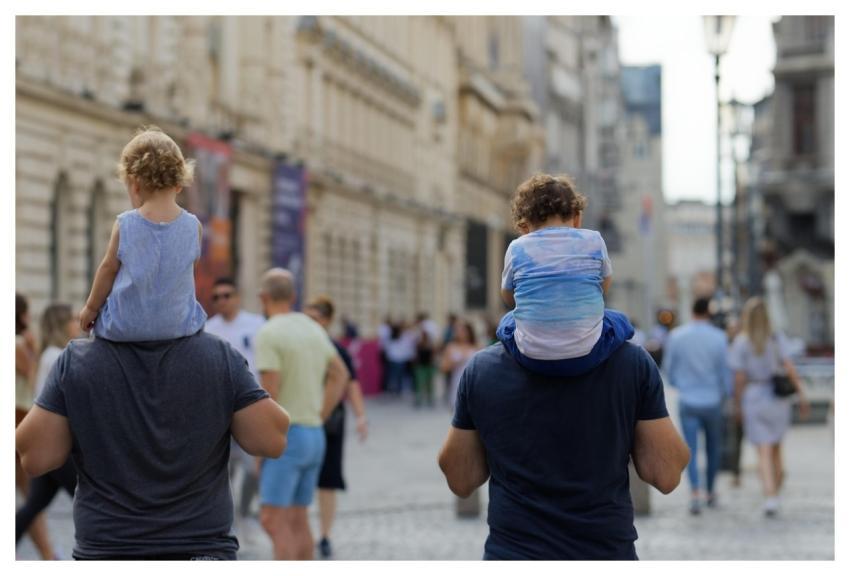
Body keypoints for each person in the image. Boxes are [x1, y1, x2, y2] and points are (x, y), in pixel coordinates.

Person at [15, 328, 289, 559]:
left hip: (109, 548)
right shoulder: (218, 355)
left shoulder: (78, 360)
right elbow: (273, 440)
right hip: (200, 547)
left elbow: (34, 457)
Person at [438, 338, 690, 559]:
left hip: (513, 555)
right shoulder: (631, 364)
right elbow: (665, 474)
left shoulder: (483, 369)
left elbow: (461, 480)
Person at [78, 125, 207, 341]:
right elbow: (188, 273)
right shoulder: (194, 226)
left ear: (135, 184)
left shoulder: (125, 223)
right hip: (177, 328)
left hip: (125, 327)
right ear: (179, 184)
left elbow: (108, 269)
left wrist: (90, 308)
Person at [254, 268, 349, 560]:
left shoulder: (269, 332)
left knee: (272, 519)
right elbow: (340, 374)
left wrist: (260, 452)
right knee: (298, 519)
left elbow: (269, 396)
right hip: (314, 434)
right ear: (294, 297)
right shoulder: (312, 328)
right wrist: (320, 413)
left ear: (263, 298)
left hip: (287, 437)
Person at [498, 174, 633, 378]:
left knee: (507, 322)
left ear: (524, 226)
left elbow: (508, 296)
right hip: (588, 353)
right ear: (577, 216)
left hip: (531, 357)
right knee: (618, 319)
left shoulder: (517, 247)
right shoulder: (594, 240)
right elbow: (604, 286)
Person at [728, 297, 810, 517]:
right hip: (777, 398)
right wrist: (801, 394)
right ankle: (776, 485)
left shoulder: (741, 342)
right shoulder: (776, 338)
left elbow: (739, 378)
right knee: (776, 447)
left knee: (762, 450)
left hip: (754, 396)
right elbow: (789, 367)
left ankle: (770, 495)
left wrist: (737, 405)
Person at [305, 296, 369, 560]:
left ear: (327, 320)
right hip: (301, 416)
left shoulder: (334, 349)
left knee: (328, 480)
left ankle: (325, 535)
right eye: (306, 317)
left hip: (330, 419)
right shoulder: (298, 346)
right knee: (302, 477)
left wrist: (361, 416)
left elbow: (351, 384)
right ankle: (302, 531)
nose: (310, 323)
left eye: (315, 318)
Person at [16, 304, 81, 547]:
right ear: (61, 325)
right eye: (74, 319)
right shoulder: (58, 356)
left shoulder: (49, 354)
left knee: (33, 506)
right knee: (89, 498)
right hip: (59, 446)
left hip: (49, 444)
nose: (79, 323)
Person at [661, 297, 731, 514]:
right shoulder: (719, 338)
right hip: (712, 400)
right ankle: (710, 491)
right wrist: (726, 394)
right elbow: (724, 373)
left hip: (688, 399)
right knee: (713, 448)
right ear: (709, 313)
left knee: (689, 449)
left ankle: (694, 493)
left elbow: (668, 369)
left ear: (691, 310)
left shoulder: (677, 336)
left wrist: (680, 384)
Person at [204, 276, 266, 518]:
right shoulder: (209, 328)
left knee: (253, 466)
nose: (222, 301)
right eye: (216, 297)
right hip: (220, 410)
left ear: (237, 297)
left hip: (252, 406)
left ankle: (245, 506)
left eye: (226, 295)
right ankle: (226, 515)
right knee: (224, 467)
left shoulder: (257, 324)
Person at [15, 293, 58, 560]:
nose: (30, 317)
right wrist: (32, 349)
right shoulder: (18, 344)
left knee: (31, 499)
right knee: (31, 498)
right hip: (17, 420)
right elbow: (31, 380)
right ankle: (48, 555)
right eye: (27, 312)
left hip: (18, 420)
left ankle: (48, 554)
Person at [440, 320, 478, 410]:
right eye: (457, 330)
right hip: (457, 383)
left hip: (474, 384)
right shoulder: (451, 347)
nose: (459, 333)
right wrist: (456, 362)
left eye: (462, 330)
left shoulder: (476, 346)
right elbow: (443, 368)